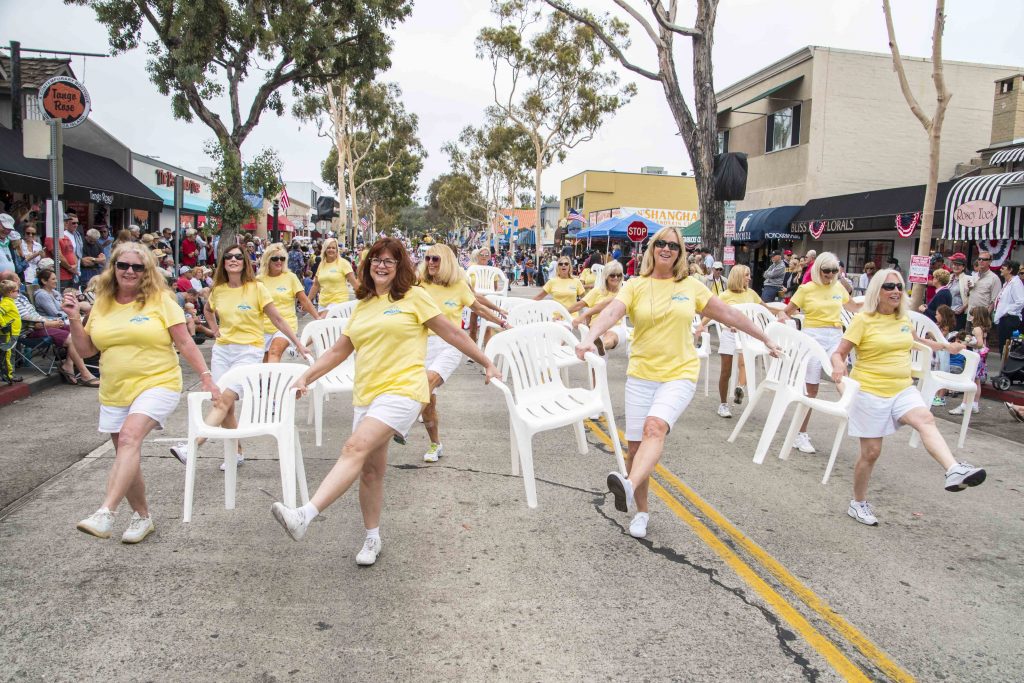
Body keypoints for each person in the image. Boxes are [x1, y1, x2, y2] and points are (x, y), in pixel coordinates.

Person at [270, 238, 500, 566]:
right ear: (367, 265)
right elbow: (339, 350)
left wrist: (486, 361)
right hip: (367, 394)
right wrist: (308, 376)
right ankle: (372, 538)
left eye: (389, 261)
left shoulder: (414, 297)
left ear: (399, 267)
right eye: (376, 259)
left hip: (404, 390)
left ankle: (305, 515)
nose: (381, 265)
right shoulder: (363, 305)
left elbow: (454, 334)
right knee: (370, 471)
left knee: (353, 448)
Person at [576, 227, 780, 540]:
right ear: (652, 249)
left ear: (680, 252)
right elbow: (613, 311)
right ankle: (641, 511)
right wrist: (590, 338)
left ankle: (627, 486)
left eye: (674, 245)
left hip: (679, 374)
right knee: (635, 450)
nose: (667, 248)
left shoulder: (691, 286)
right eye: (661, 243)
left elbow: (729, 314)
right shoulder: (635, 285)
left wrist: (765, 337)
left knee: (655, 428)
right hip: (641, 375)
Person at [66, 242, 220, 543]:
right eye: (123, 265)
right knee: (126, 451)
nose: (130, 271)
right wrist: (74, 319)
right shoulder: (103, 302)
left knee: (129, 438)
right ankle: (142, 517)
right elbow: (85, 349)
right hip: (115, 389)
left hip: (158, 381)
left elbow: (186, 343)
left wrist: (206, 377)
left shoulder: (161, 300)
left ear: (147, 271)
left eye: (138, 267)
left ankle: (105, 512)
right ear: (114, 267)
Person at [830, 268, 986, 527]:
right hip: (870, 391)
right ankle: (858, 503)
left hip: (902, 387)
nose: (896, 291)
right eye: (889, 286)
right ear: (877, 291)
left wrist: (947, 346)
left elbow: (918, 342)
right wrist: (838, 366)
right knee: (871, 453)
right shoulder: (863, 320)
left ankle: (953, 469)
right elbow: (840, 352)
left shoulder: (903, 319)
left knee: (925, 418)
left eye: (899, 286)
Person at [168, 245, 310, 467]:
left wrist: (299, 343)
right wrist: (215, 330)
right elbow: (207, 310)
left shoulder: (257, 288)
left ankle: (192, 447)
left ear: (245, 262)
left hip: (249, 351)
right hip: (223, 351)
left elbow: (278, 319)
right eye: (228, 257)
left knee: (225, 399)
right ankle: (237, 452)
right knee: (225, 405)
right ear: (223, 262)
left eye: (238, 257)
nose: (233, 260)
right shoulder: (218, 290)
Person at [416, 244, 507, 462]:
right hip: (421, 345)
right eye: (427, 258)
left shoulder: (458, 285)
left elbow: (478, 307)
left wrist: (501, 320)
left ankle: (398, 423)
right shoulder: (418, 284)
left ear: (446, 261)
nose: (430, 263)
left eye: (435, 259)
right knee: (428, 404)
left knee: (428, 381)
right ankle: (435, 444)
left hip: (451, 345)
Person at [777, 252, 860, 454]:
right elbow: (787, 310)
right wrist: (781, 317)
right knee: (811, 388)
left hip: (835, 334)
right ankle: (800, 433)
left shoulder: (838, 287)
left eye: (834, 271)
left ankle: (855, 413)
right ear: (818, 269)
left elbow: (854, 306)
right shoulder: (806, 289)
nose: (831, 275)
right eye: (827, 271)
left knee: (842, 376)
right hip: (813, 335)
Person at [696, 264, 764, 418]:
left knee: (744, 363)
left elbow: (764, 309)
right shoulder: (725, 295)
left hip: (746, 335)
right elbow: (713, 312)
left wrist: (784, 312)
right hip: (729, 334)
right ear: (739, 276)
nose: (750, 278)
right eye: (747, 275)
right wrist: (701, 325)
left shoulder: (752, 294)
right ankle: (723, 404)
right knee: (725, 371)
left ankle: (740, 387)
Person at [256, 242, 320, 363]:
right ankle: (269, 381)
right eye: (275, 258)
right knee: (264, 363)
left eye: (282, 258)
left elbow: (304, 300)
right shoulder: (259, 280)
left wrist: (317, 318)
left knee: (274, 351)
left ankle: (274, 382)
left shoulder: (290, 277)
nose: (279, 261)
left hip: (286, 324)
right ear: (267, 260)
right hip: (263, 327)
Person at [569, 260, 628, 355]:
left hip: (615, 326)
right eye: (612, 275)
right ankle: (598, 345)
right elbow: (580, 304)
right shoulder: (598, 291)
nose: (616, 278)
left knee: (610, 337)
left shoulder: (623, 291)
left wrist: (585, 315)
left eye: (619, 275)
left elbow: (608, 302)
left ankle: (601, 346)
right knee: (595, 364)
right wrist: (561, 312)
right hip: (596, 327)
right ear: (606, 276)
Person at [949, 306, 992, 416]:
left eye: (972, 315)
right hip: (981, 357)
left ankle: (964, 405)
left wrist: (968, 342)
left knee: (969, 380)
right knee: (976, 381)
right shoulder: (984, 328)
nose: (971, 318)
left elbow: (980, 343)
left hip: (975, 357)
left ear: (977, 317)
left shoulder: (977, 329)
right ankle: (974, 404)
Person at [308, 238, 358, 312]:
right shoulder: (321, 264)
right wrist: (307, 301)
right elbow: (316, 285)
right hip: (323, 303)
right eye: (328, 247)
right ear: (325, 249)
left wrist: (365, 298)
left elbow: (354, 283)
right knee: (321, 321)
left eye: (333, 248)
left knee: (323, 317)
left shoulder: (343, 263)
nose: (331, 250)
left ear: (337, 250)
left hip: (339, 302)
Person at [44, 213, 80, 287]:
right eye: (65, 221)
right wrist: (70, 268)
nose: (67, 223)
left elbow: (72, 253)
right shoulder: (51, 237)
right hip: (61, 275)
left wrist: (75, 265)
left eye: (67, 221)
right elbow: (58, 255)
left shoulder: (66, 236)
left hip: (71, 274)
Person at [994, 261, 1024, 349]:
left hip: (1010, 319)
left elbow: (1021, 301)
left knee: (1006, 348)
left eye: (1003, 268)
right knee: (1002, 347)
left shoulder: (1016, 283)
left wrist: (1008, 311)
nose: (1000, 269)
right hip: (1004, 319)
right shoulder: (1008, 283)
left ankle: (1006, 362)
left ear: (1010, 270)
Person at [0, 279, 22, 383]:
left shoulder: (9, 302)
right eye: (16, 291)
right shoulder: (6, 303)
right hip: (8, 333)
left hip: (12, 332)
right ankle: (9, 375)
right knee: (8, 354)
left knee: (9, 354)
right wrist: (3, 324)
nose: (18, 292)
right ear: (10, 292)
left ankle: (8, 374)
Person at [18, 222, 44, 294]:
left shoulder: (38, 245)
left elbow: (40, 262)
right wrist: (34, 255)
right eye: (28, 233)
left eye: (33, 234)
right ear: (24, 233)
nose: (30, 235)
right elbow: (22, 260)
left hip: (36, 276)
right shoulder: (20, 244)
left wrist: (43, 256)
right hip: (24, 276)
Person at [948, 252, 971, 331]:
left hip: (959, 313)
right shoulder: (950, 277)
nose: (955, 266)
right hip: (948, 312)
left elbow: (971, 296)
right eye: (954, 264)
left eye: (958, 265)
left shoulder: (968, 278)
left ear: (963, 267)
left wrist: (963, 308)